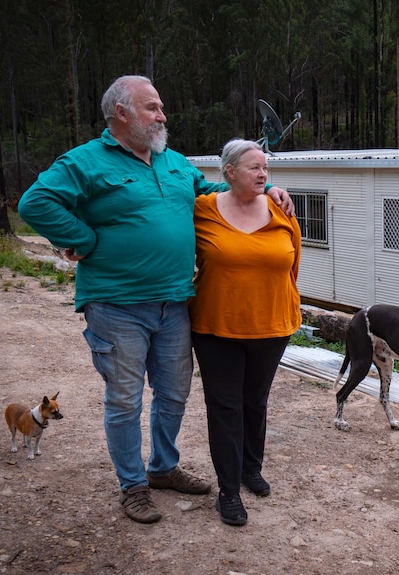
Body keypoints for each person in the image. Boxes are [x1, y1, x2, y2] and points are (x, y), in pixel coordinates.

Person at [17, 75, 294, 524]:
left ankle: (163, 468)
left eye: (161, 107)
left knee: (173, 395)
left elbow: (213, 197)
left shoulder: (173, 162)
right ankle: (133, 486)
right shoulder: (86, 161)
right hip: (117, 305)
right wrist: (81, 238)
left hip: (174, 303)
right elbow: (35, 203)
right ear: (122, 113)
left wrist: (265, 192)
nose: (162, 115)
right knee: (125, 400)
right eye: (153, 107)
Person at [189, 138, 301, 526]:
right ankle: (228, 491)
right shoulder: (202, 210)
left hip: (272, 325)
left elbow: (292, 264)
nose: (263, 174)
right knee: (225, 407)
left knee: (256, 400)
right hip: (216, 327)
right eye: (254, 168)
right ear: (230, 172)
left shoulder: (280, 207)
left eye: (266, 168)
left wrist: (284, 308)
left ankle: (251, 468)